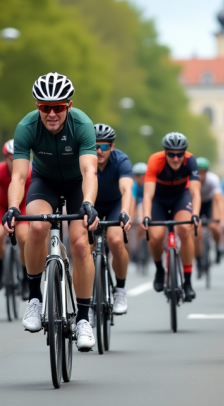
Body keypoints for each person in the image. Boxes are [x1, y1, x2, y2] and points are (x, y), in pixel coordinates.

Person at [3, 72, 99, 351]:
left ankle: (83, 319)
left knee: (81, 244)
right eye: (45, 107)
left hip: (77, 185)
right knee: (36, 227)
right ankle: (34, 299)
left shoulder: (82, 125)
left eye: (59, 107)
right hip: (43, 182)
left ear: (69, 105)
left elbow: (89, 171)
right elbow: (19, 177)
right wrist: (12, 208)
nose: (52, 113)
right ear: (38, 107)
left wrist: (88, 203)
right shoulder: (26, 127)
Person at [141, 132, 201, 301]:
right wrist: (146, 215)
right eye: (171, 154)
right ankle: (159, 269)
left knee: (184, 228)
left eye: (180, 154)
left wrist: (195, 214)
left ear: (185, 153)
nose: (176, 159)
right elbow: (147, 195)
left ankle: (188, 282)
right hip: (159, 200)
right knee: (156, 236)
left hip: (181, 197)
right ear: (165, 153)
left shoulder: (191, 160)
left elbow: (195, 193)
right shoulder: (155, 160)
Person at [92, 123, 133, 315]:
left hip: (115, 204)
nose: (99, 151)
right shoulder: (83, 160)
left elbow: (126, 189)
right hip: (91, 205)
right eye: (94, 146)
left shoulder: (121, 160)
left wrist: (125, 211)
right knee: (84, 246)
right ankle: (89, 298)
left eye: (104, 146)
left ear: (112, 147)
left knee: (116, 241)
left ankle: (120, 289)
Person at [0, 140, 31, 292]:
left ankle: (25, 277)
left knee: (23, 237)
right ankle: (0, 270)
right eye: (11, 158)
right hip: (2, 205)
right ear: (5, 158)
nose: (15, 162)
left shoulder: (29, 172)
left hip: (22, 206)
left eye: (18, 158)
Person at [195, 157, 224, 270]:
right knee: (196, 232)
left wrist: (221, 219)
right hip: (195, 203)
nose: (200, 175)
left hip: (209, 203)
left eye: (203, 172)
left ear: (207, 172)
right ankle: (198, 259)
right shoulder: (190, 179)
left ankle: (218, 247)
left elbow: (219, 201)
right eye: (198, 172)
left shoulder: (213, 179)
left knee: (214, 226)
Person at [130, 162, 147, 248]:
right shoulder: (134, 186)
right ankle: (136, 247)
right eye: (138, 175)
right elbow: (133, 203)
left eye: (144, 174)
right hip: (137, 208)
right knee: (137, 224)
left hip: (148, 207)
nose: (142, 177)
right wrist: (131, 220)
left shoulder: (149, 185)